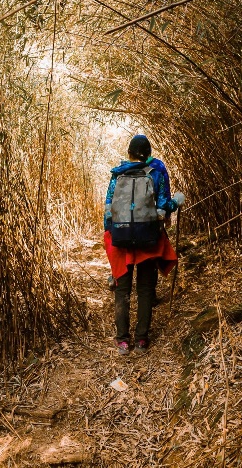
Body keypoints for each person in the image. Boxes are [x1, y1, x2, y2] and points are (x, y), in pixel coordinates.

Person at [104, 134, 184, 355]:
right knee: (146, 289)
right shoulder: (155, 174)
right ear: (148, 155)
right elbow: (164, 205)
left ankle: (122, 341)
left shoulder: (117, 174)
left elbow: (108, 208)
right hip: (148, 238)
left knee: (122, 291)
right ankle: (141, 340)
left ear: (129, 153)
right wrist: (177, 202)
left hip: (121, 240)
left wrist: (110, 236)